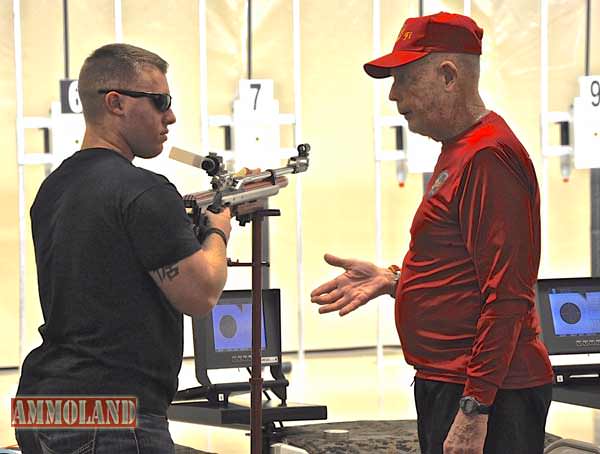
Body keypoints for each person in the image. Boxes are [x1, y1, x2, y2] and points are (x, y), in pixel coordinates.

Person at [311, 12, 554, 454]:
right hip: (454, 381)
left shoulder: (488, 157)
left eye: (404, 79)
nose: (393, 95)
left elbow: (509, 294)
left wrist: (474, 409)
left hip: (487, 392)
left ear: (448, 76)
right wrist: (396, 280)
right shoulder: (459, 150)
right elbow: (467, 269)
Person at [15, 43, 232, 454]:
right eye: (160, 101)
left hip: (43, 402)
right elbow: (200, 294)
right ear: (115, 103)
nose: (170, 116)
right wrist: (217, 232)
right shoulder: (143, 190)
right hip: (110, 409)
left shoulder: (54, 188)